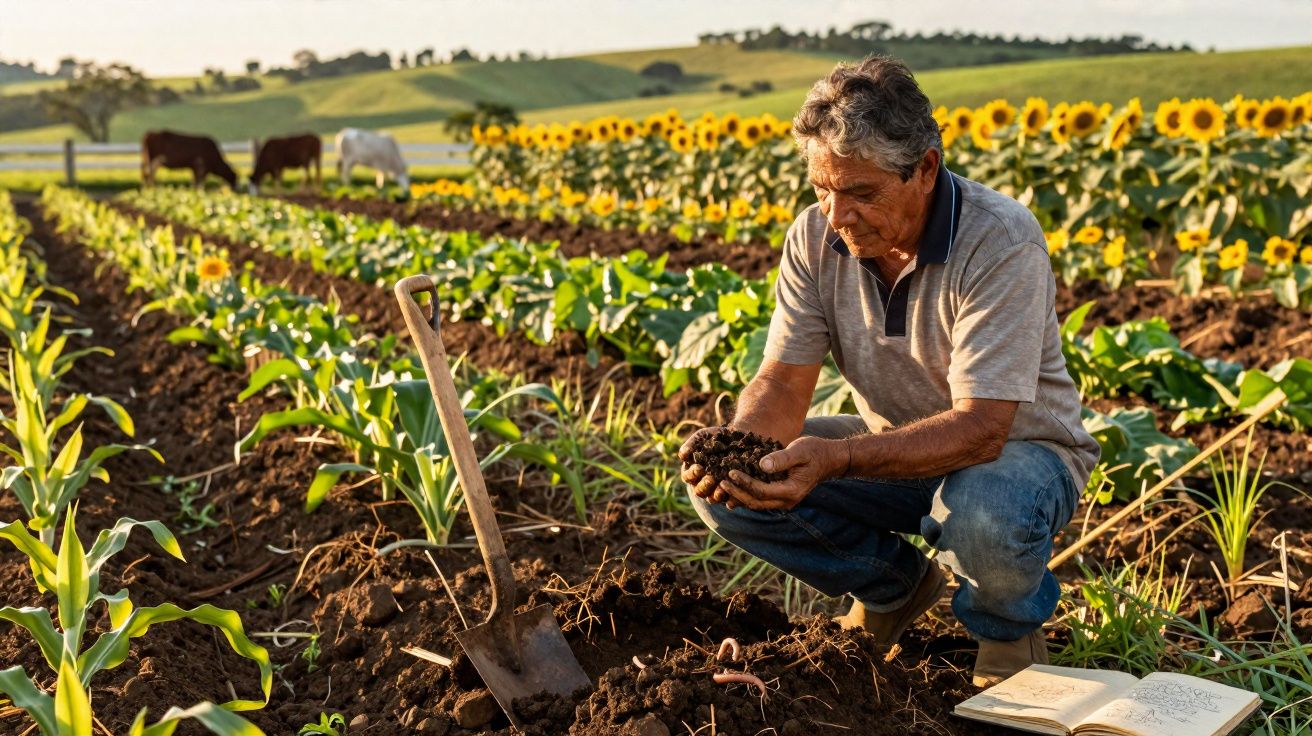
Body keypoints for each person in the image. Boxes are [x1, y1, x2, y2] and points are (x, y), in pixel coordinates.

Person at [681, 55, 1100, 687]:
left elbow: (984, 428)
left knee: (983, 508)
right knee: (733, 486)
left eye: (860, 193)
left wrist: (839, 459)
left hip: (1017, 457)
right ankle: (895, 589)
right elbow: (784, 380)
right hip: (892, 450)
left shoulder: (999, 240)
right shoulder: (816, 239)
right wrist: (739, 452)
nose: (836, 215)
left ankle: (1007, 631)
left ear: (925, 168)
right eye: (822, 189)